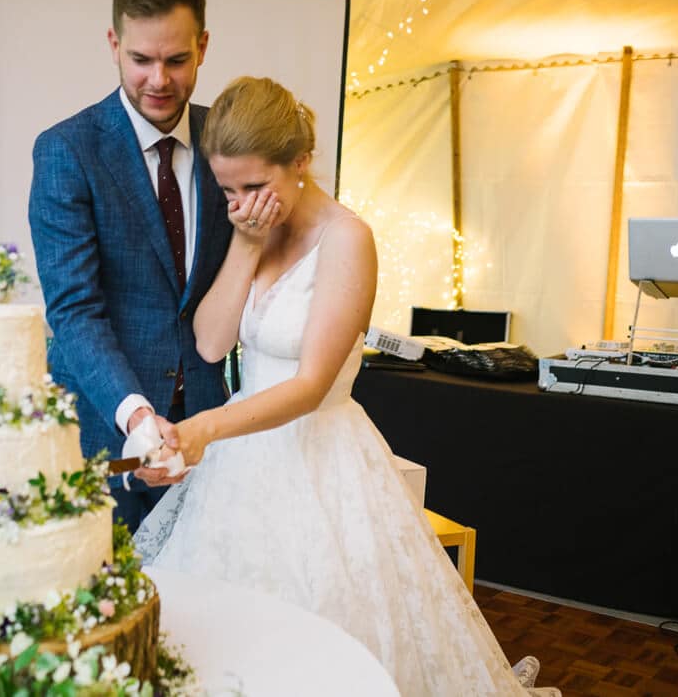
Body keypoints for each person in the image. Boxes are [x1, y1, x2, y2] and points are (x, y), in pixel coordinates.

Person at [135, 77, 558, 696]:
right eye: (227, 188)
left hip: (320, 458)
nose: (241, 201)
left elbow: (311, 385)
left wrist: (204, 429)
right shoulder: (251, 227)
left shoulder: (347, 239)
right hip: (242, 462)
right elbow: (209, 342)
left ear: (301, 162)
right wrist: (247, 245)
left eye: (255, 186)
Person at [29, 0, 234, 532]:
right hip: (103, 433)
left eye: (176, 60)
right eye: (141, 60)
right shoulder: (67, 151)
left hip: (206, 430)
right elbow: (74, 310)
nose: (158, 80)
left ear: (203, 46)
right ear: (114, 44)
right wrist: (139, 417)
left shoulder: (227, 143)